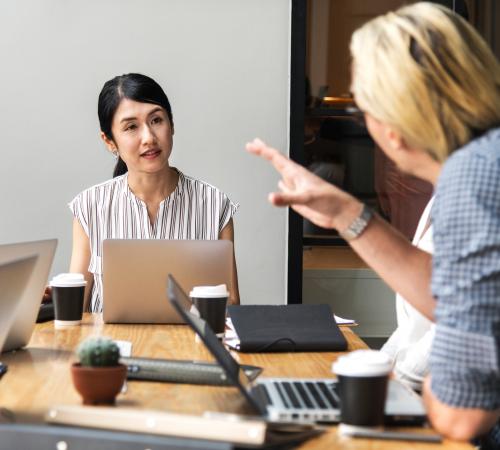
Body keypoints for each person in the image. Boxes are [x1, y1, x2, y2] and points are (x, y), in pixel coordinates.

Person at [247, 2, 500, 446]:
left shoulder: (473, 179)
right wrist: (346, 214)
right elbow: (453, 296)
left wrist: (396, 394)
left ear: (394, 127)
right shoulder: (484, 160)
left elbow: (463, 417)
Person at [68, 73, 239, 312]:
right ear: (109, 141)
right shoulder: (90, 206)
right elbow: (75, 308)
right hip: (113, 348)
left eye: (156, 120)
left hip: (190, 346)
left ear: (172, 124)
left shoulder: (214, 204)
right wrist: (53, 301)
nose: (148, 137)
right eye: (131, 127)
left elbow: (230, 305)